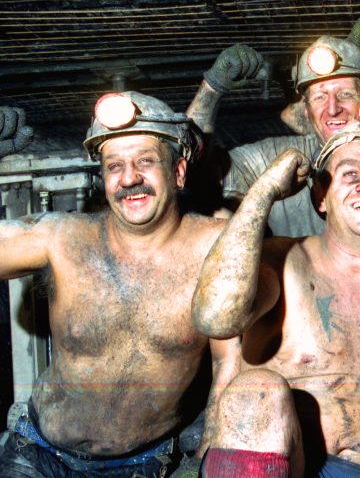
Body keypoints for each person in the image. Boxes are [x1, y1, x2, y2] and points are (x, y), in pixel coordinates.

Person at [190, 122, 360, 476]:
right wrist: (265, 191)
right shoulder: (282, 259)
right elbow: (214, 317)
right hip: (277, 467)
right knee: (256, 389)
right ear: (320, 197)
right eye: (349, 174)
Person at [0, 94, 226, 477]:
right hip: (36, 452)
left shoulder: (215, 246)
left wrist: (211, 448)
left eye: (145, 161)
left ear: (179, 171)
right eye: (114, 166)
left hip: (144, 463)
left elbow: (230, 361)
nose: (129, 178)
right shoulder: (63, 237)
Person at [186, 21, 360, 237]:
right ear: (306, 110)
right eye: (319, 97)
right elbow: (190, 174)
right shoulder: (279, 157)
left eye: (345, 94)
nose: (333, 109)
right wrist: (212, 88)